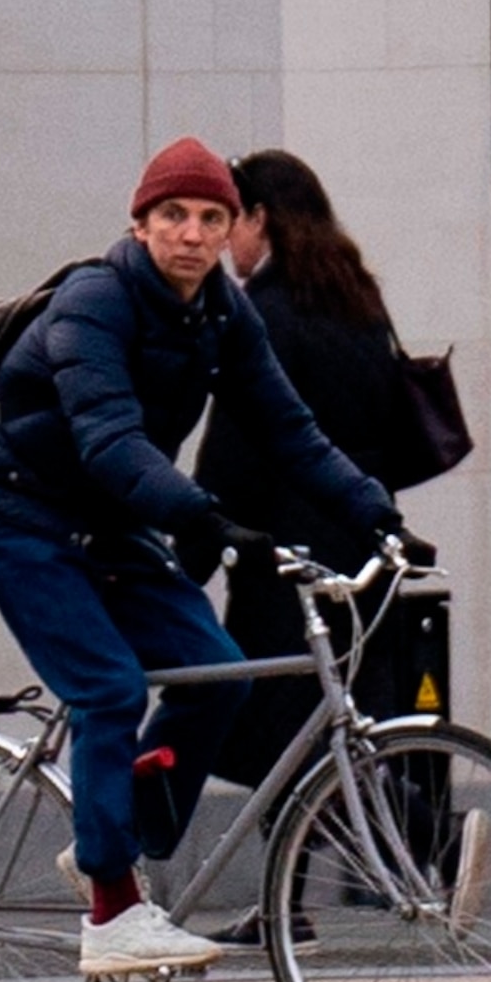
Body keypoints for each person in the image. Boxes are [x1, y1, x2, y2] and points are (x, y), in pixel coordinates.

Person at [0, 136, 425, 977]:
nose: (195, 235)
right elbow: (107, 439)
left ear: (234, 225)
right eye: (174, 215)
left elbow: (290, 429)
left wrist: (378, 514)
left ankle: (115, 837)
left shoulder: (222, 313)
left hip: (104, 521)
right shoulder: (95, 301)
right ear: (140, 224)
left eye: (213, 218)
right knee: (109, 685)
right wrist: (202, 516)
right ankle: (111, 914)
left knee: (221, 671)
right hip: (13, 510)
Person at [192, 149, 422, 783]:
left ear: (260, 218)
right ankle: (422, 857)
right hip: (362, 546)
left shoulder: (263, 315)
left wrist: (191, 546)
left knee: (274, 747)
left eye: (229, 219)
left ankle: (431, 843)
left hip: (288, 561)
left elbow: (233, 456)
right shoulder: (358, 300)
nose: (222, 241)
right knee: (358, 735)